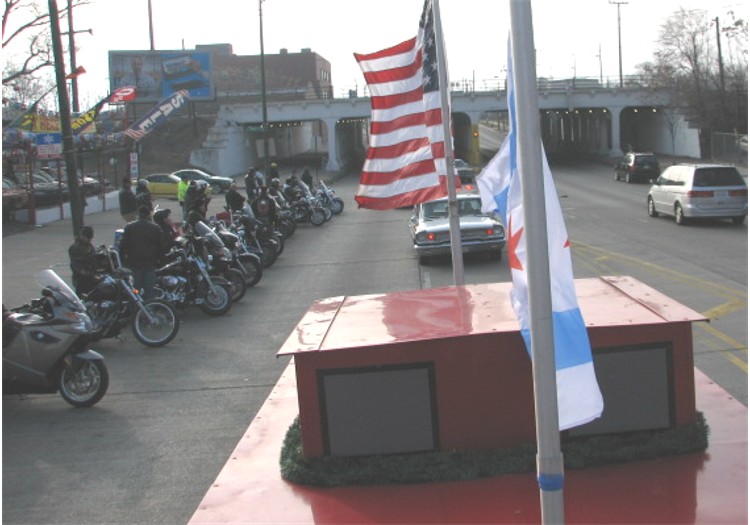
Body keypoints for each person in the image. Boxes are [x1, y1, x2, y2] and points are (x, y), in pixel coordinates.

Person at [118, 206, 165, 299]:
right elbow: (161, 246)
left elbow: (122, 246)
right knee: (149, 289)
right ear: (148, 214)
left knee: (135, 289)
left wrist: (123, 261)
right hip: (150, 263)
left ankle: (135, 306)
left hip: (134, 264)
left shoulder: (129, 227)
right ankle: (149, 308)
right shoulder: (155, 228)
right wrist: (160, 261)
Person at [68, 225, 98, 296]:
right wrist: (88, 275)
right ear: (82, 236)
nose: (89, 240)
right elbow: (78, 265)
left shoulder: (88, 245)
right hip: (82, 279)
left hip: (90, 277)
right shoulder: (76, 248)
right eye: (87, 238)